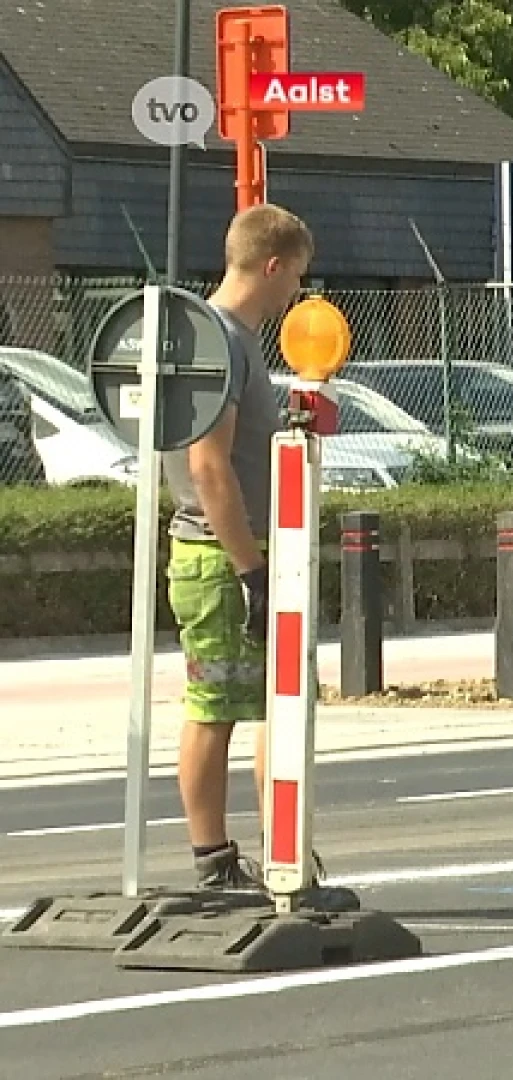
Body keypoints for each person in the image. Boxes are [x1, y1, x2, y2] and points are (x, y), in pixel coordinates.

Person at [160, 202, 349, 907]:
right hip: (221, 554)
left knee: (275, 704)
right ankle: (224, 861)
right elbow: (210, 467)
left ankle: (280, 850)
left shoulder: (222, 337)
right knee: (222, 706)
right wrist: (253, 573)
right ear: (273, 266)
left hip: (243, 550)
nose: (296, 296)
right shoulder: (223, 339)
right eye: (295, 278)